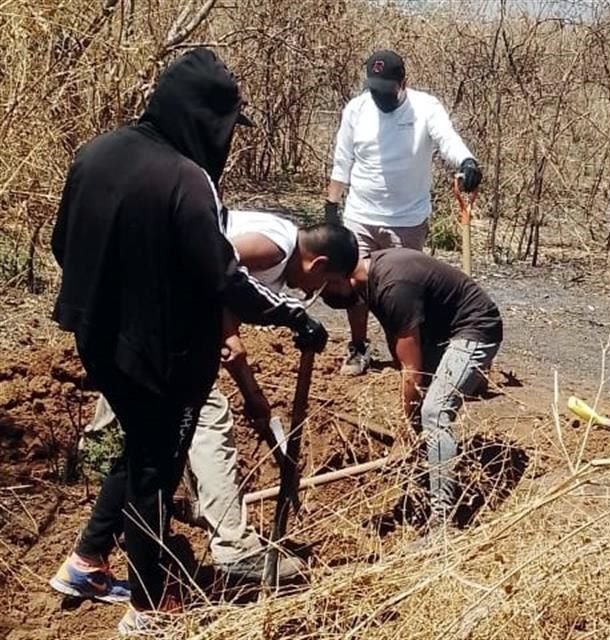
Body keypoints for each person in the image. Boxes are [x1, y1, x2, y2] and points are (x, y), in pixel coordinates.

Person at [47, 49, 327, 634]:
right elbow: (223, 277)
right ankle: (149, 607)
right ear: (205, 121)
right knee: (156, 472)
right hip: (163, 358)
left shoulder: (97, 152)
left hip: (97, 337)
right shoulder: (186, 179)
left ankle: (86, 562)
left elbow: (60, 243)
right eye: (226, 130)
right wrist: (294, 315)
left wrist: (118, 295)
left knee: (142, 447)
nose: (226, 143)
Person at [81, 213, 359, 582]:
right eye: (323, 283)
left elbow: (224, 315)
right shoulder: (274, 247)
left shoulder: (271, 254)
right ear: (318, 262)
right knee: (208, 414)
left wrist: (252, 393)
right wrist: (290, 317)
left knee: (154, 426)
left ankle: (94, 544)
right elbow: (211, 269)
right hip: (156, 322)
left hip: (143, 320)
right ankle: (234, 546)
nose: (310, 294)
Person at [324, 49, 483, 376]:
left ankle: (406, 351)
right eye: (373, 88)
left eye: (385, 89)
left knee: (403, 292)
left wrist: (467, 161)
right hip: (361, 214)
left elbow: (447, 139)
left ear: (403, 83)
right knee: (356, 286)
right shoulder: (356, 110)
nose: (379, 96)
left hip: (407, 219)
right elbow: (342, 161)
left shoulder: (425, 108)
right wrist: (331, 207)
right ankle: (358, 346)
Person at [321, 248, 502, 530]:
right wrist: (406, 425)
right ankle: (422, 478)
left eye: (327, 285)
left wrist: (405, 430)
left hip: (476, 329)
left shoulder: (394, 286)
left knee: (434, 412)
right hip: (439, 335)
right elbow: (401, 348)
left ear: (341, 276)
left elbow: (412, 372)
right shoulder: (370, 279)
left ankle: (443, 523)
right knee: (419, 411)